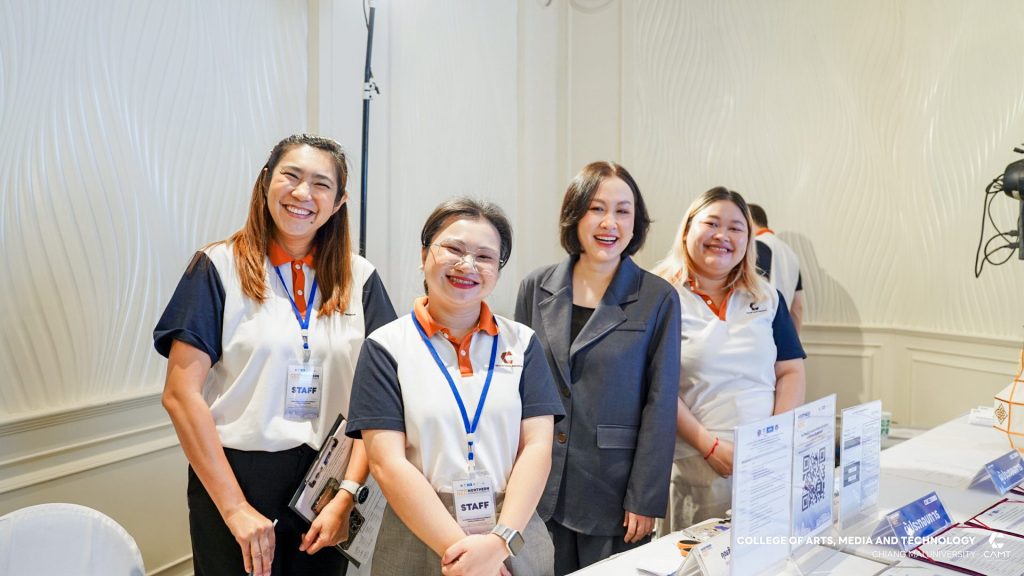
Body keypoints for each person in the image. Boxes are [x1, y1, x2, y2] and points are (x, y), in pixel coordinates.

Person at [154, 134, 396, 576]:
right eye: (291, 176)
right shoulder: (217, 266)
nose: (303, 193)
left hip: (326, 483)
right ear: (265, 181)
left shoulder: (360, 278)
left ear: (339, 202)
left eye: (321, 184)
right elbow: (180, 394)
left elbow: (378, 403)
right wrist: (234, 508)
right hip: (236, 476)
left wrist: (346, 495)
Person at [346, 198, 564, 576]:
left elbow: (537, 447)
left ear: (498, 270)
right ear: (424, 255)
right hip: (418, 529)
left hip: (512, 527)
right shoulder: (386, 346)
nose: (468, 265)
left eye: (485, 256)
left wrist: (497, 544)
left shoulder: (522, 343)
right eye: (454, 249)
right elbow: (387, 463)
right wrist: (466, 557)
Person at [515, 162, 680, 574]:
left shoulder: (658, 297)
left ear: (636, 222)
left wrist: (645, 497)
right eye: (596, 209)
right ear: (575, 215)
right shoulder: (535, 286)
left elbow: (661, 402)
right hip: (536, 486)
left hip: (613, 492)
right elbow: (514, 387)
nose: (610, 223)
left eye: (623, 211)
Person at [652, 187, 806, 532]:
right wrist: (710, 448)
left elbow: (791, 370)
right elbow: (656, 385)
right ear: (687, 230)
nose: (722, 236)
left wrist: (774, 438)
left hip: (766, 463)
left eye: (736, 228)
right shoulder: (659, 295)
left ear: (748, 240)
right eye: (711, 223)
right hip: (696, 463)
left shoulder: (767, 297)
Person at [748, 203, 805, 333]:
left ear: (748, 220)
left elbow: (753, 295)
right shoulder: (790, 252)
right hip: (782, 330)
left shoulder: (755, 246)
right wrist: (792, 340)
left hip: (760, 331)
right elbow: (798, 306)